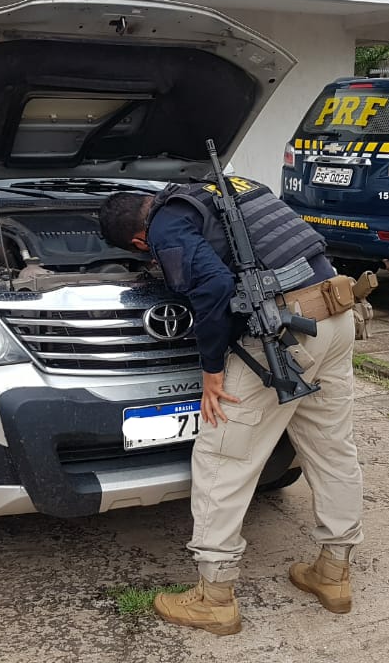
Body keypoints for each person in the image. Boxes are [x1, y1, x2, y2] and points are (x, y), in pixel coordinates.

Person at [99, 177, 365, 636]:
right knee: (332, 450)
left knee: (223, 457)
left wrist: (212, 371)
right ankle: (333, 571)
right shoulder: (224, 188)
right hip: (337, 314)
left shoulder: (165, 226)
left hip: (285, 333)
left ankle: (215, 597)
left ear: (140, 241)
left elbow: (215, 285)